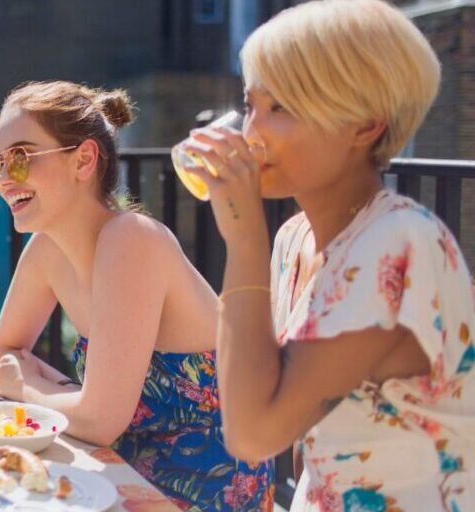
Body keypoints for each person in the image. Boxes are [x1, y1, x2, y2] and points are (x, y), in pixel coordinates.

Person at [180, 0, 474, 510]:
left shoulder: (401, 242)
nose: (251, 133)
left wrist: (244, 240)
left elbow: (254, 434)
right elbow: (297, 436)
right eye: (252, 105)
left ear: (366, 125)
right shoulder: (295, 240)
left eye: (282, 108)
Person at [0, 80, 274, 510]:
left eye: (21, 158)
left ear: (84, 159)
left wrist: (28, 387)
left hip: (205, 490)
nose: (6, 179)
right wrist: (70, 396)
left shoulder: (131, 240)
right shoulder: (48, 248)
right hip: (122, 472)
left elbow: (98, 421)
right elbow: (6, 352)